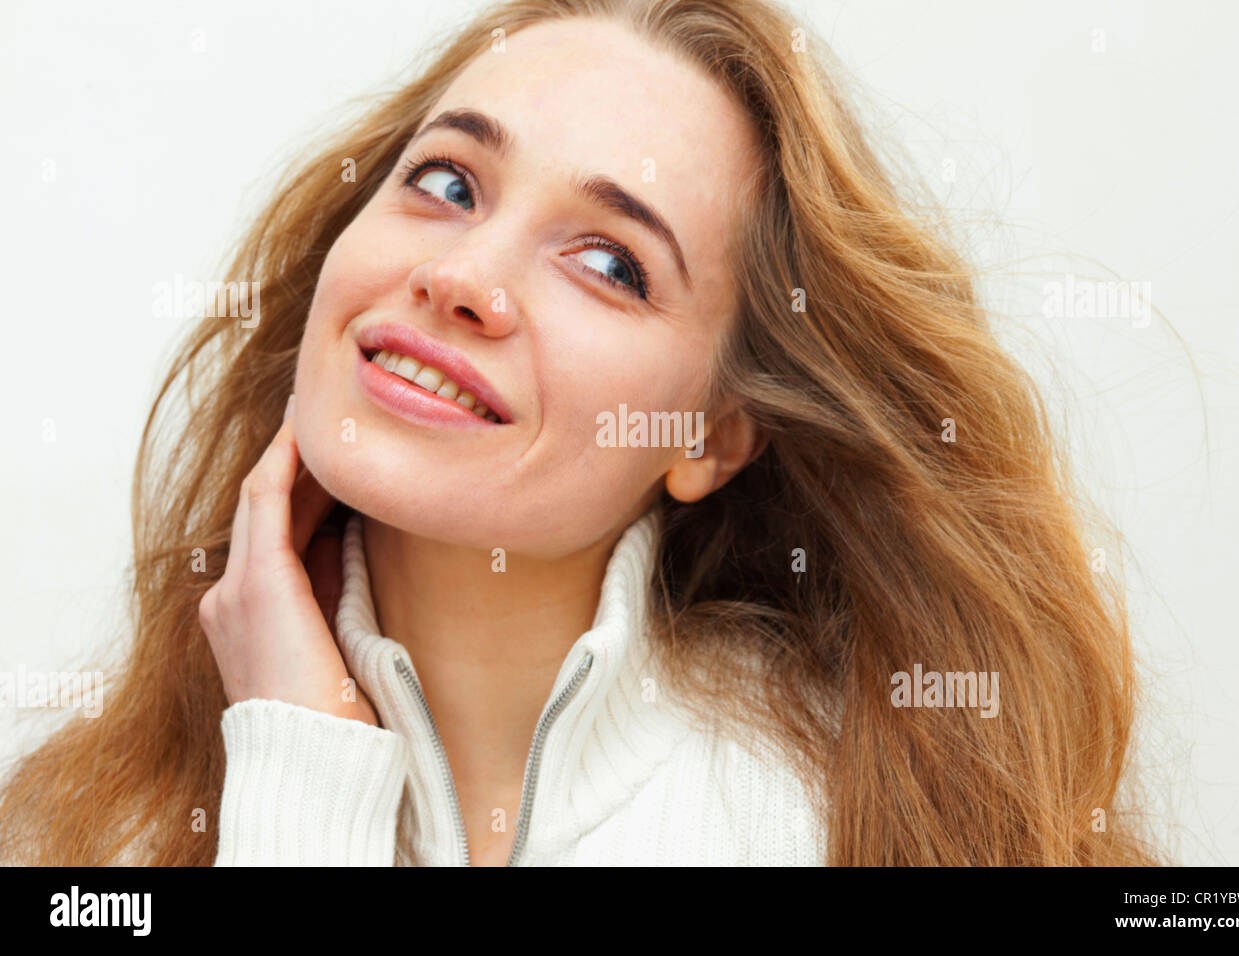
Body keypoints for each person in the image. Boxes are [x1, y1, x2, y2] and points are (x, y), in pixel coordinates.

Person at [0, 0, 1163, 866]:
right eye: (449, 183)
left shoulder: (842, 823)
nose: (464, 275)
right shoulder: (97, 836)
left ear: (711, 434)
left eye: (609, 263)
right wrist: (289, 757)